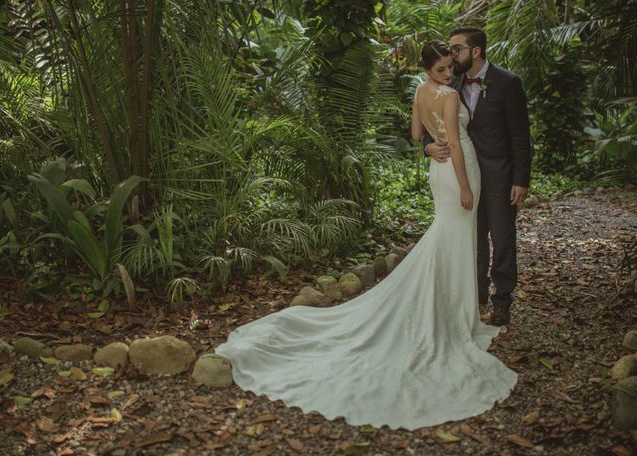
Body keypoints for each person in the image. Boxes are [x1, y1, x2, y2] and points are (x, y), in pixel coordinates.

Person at [214, 41, 517, 431]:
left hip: (437, 170)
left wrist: (430, 149)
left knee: (447, 238)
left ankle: (457, 311)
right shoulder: (444, 94)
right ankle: (454, 318)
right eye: (441, 69)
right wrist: (464, 186)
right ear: (429, 68)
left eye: (448, 68)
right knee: (451, 238)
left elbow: (414, 133)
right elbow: (456, 144)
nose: (446, 74)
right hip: (458, 170)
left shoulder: (420, 92)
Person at [424, 27, 532, 326]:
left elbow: (520, 135)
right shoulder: (450, 81)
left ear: (475, 51)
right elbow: (433, 122)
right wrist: (428, 147)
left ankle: (502, 302)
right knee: (472, 238)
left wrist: (521, 179)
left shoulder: (509, 83)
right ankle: (476, 296)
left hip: (499, 175)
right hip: (464, 175)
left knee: (502, 238)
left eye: (456, 48)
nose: (450, 54)